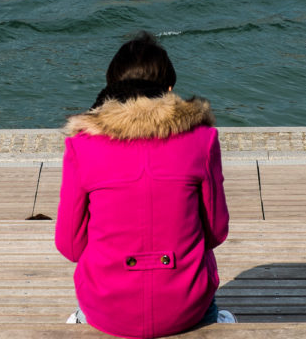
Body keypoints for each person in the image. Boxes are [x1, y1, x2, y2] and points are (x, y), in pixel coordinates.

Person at [55, 31, 233, 339]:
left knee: (90, 288)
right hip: (186, 307)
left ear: (111, 90)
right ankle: (215, 320)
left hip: (107, 309)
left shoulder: (81, 146)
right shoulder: (202, 140)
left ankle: (84, 316)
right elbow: (216, 232)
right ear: (169, 90)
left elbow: (69, 246)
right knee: (204, 288)